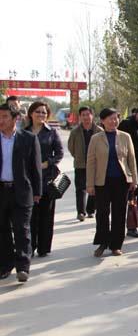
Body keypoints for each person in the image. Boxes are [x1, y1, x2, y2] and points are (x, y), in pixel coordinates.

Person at [86, 108, 138, 257]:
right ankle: (103, 243)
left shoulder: (125, 137)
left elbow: (131, 159)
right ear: (102, 121)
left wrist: (134, 180)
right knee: (102, 213)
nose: (113, 121)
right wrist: (90, 184)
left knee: (119, 213)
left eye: (116, 118)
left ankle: (116, 245)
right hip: (102, 181)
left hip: (121, 181)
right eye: (110, 118)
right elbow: (91, 162)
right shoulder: (96, 138)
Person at [0, 103, 41, 283]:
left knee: (22, 229)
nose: (1, 120)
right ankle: (5, 265)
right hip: (1, 190)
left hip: (22, 191)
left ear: (15, 118)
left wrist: (37, 191)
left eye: (4, 117)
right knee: (2, 230)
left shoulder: (28, 139)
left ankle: (23, 267)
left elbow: (35, 168)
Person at [25, 102, 63, 258]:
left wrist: (47, 163)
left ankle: (44, 247)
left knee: (46, 215)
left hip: (47, 179)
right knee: (30, 215)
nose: (41, 115)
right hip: (28, 179)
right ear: (31, 114)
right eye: (38, 111)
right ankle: (30, 247)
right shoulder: (24, 132)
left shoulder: (52, 132)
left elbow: (59, 153)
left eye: (44, 112)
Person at [118, 106, 138, 238]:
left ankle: (132, 226)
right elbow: (120, 147)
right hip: (124, 168)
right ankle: (119, 226)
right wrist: (137, 149)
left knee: (134, 197)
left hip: (137, 167)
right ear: (137, 114)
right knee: (122, 198)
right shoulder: (125, 125)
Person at [68, 106, 103, 221]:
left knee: (94, 187)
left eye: (88, 114)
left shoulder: (99, 131)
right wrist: (78, 156)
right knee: (80, 189)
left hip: (96, 164)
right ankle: (81, 212)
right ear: (80, 117)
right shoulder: (75, 132)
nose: (86, 117)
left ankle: (91, 210)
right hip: (80, 164)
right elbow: (71, 147)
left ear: (92, 116)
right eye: (83, 115)